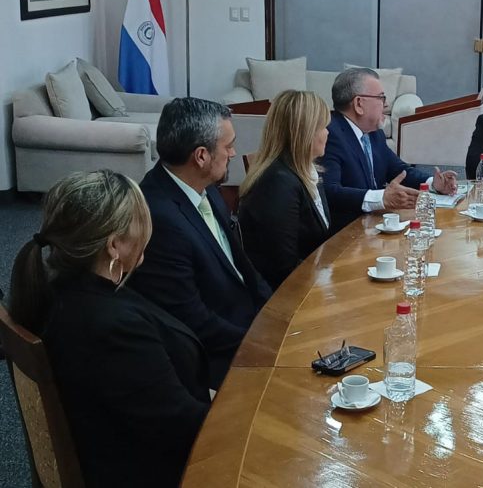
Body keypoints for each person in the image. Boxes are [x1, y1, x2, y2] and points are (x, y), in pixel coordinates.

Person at [8, 170, 210, 487]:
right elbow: (183, 429)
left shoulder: (57, 289)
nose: (149, 230)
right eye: (141, 221)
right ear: (113, 245)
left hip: (117, 445)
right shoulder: (111, 328)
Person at [131, 97, 273, 388]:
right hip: (216, 358)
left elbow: (243, 267)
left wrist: (276, 312)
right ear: (201, 156)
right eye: (228, 145)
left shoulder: (203, 186)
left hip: (247, 324)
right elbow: (192, 319)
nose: (233, 153)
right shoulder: (160, 218)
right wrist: (261, 341)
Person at [323, 67, 457, 232]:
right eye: (381, 97)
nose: (386, 105)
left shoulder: (374, 133)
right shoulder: (331, 135)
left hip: (374, 225)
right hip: (345, 234)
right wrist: (382, 198)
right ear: (359, 104)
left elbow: (398, 170)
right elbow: (330, 191)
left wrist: (433, 183)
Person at [239, 90, 332, 290]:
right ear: (306, 132)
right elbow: (283, 268)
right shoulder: (278, 184)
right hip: (288, 297)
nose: (327, 133)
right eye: (323, 127)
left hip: (312, 281)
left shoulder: (307, 170)